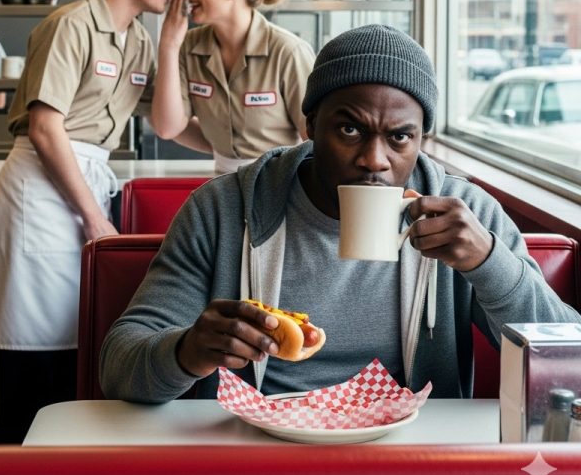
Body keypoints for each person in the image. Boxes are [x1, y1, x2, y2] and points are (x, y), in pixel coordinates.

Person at [100, 24, 581, 403]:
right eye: (349, 130)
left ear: (420, 140)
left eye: (399, 137)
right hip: (253, 448)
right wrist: (188, 351)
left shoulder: (466, 214)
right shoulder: (224, 209)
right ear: (310, 125)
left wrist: (488, 264)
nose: (375, 159)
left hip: (411, 452)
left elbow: (568, 364)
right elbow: (119, 368)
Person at [0, 0, 198, 436]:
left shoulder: (140, 43)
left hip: (85, 181)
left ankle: (64, 467)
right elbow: (44, 128)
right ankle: (15, 471)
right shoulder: (70, 25)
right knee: (34, 348)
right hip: (41, 190)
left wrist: (239, 147)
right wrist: (94, 217)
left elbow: (169, 121)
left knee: (77, 338)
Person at [151, 0, 315, 173]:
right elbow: (168, 128)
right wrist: (168, 45)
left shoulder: (288, 51)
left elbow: (317, 142)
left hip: (282, 185)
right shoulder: (188, 46)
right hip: (222, 187)